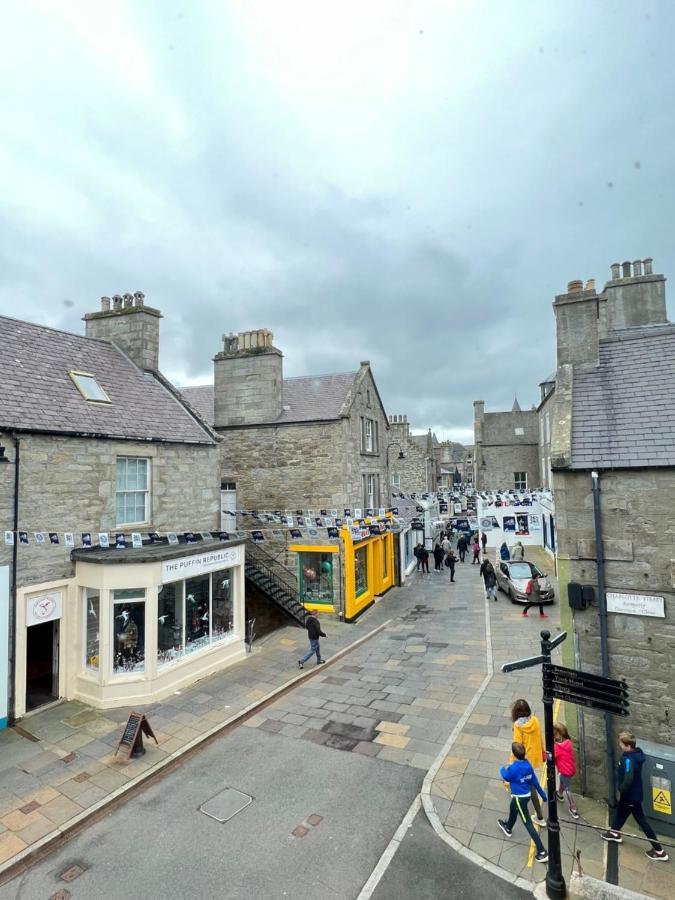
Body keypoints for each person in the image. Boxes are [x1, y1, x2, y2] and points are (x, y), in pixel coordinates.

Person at [602, 732, 669, 860]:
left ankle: (659, 851)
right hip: (633, 794)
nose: (619, 745)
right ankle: (615, 833)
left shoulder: (628, 759)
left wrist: (621, 788)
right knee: (621, 813)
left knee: (642, 821)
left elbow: (628, 777)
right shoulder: (637, 754)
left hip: (630, 796)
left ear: (627, 746)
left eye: (621, 744)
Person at [498, 742, 549, 863]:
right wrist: (543, 796)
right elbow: (535, 782)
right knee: (512, 808)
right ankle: (508, 827)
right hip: (526, 795)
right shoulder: (528, 765)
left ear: (514, 754)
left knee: (527, 823)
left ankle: (542, 851)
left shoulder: (514, 768)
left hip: (519, 797)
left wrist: (502, 769)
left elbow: (506, 776)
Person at [511, 699, 546, 825]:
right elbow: (540, 737)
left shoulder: (517, 726)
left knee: (531, 787)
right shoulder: (535, 720)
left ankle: (540, 817)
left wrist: (513, 763)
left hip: (524, 760)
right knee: (529, 783)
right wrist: (542, 752)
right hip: (534, 756)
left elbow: (517, 745)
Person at [553, 723, 579, 819]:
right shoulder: (568, 742)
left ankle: (573, 809)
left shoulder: (557, 748)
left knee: (568, 789)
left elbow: (551, 756)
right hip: (570, 769)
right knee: (563, 781)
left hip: (564, 771)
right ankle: (559, 794)